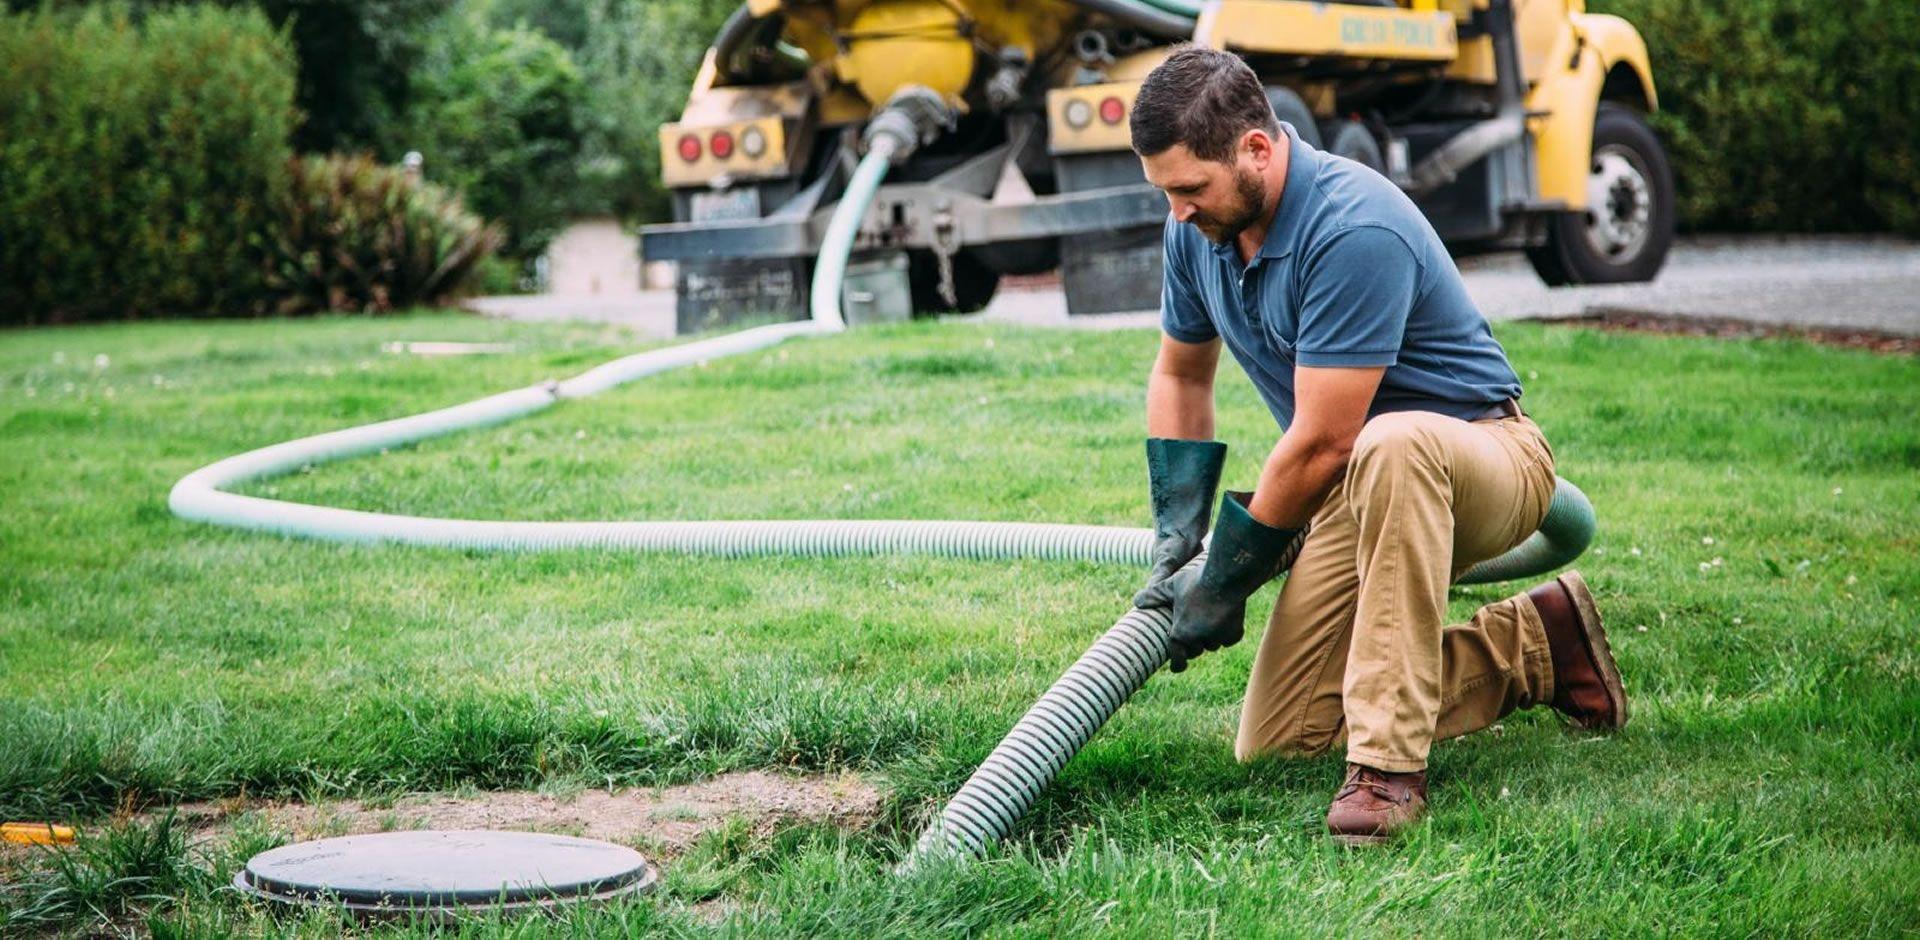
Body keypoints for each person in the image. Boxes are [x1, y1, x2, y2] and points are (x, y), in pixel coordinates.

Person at [1127, 47, 1628, 845]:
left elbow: (1326, 440)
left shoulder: (1352, 225)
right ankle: (1536, 645)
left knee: (1389, 442)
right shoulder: (1196, 228)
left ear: (1257, 148)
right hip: (1356, 488)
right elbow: (1181, 375)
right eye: (1167, 192)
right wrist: (1179, 529)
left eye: (1191, 188)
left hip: (1480, 456)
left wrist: (1229, 575)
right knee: (1281, 741)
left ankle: (1389, 771)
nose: (1179, 210)